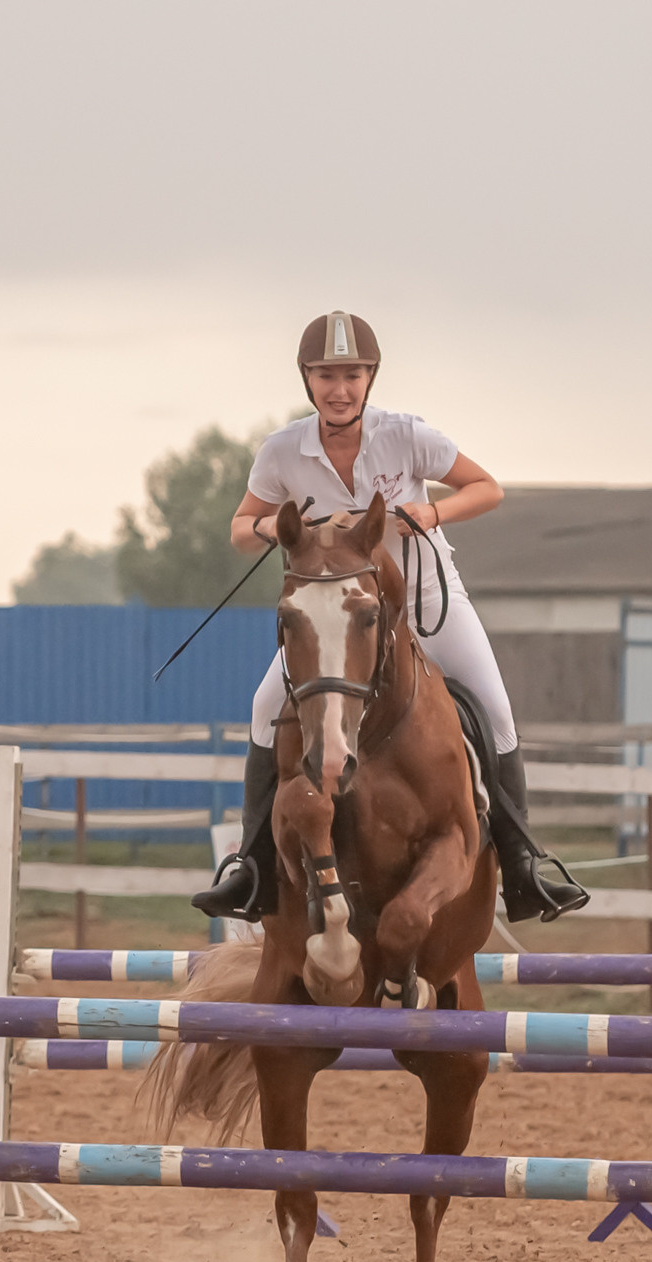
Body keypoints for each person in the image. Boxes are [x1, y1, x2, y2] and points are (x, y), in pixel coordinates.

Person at [192, 310, 588, 926]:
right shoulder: (282, 452)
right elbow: (242, 530)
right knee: (264, 707)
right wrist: (274, 526)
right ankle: (253, 866)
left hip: (426, 600)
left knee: (496, 708)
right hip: (335, 618)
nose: (339, 389)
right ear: (307, 380)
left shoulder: (406, 436)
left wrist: (428, 515)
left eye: (352, 374)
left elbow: (487, 488)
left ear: (370, 378)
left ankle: (521, 862)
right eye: (326, 375)